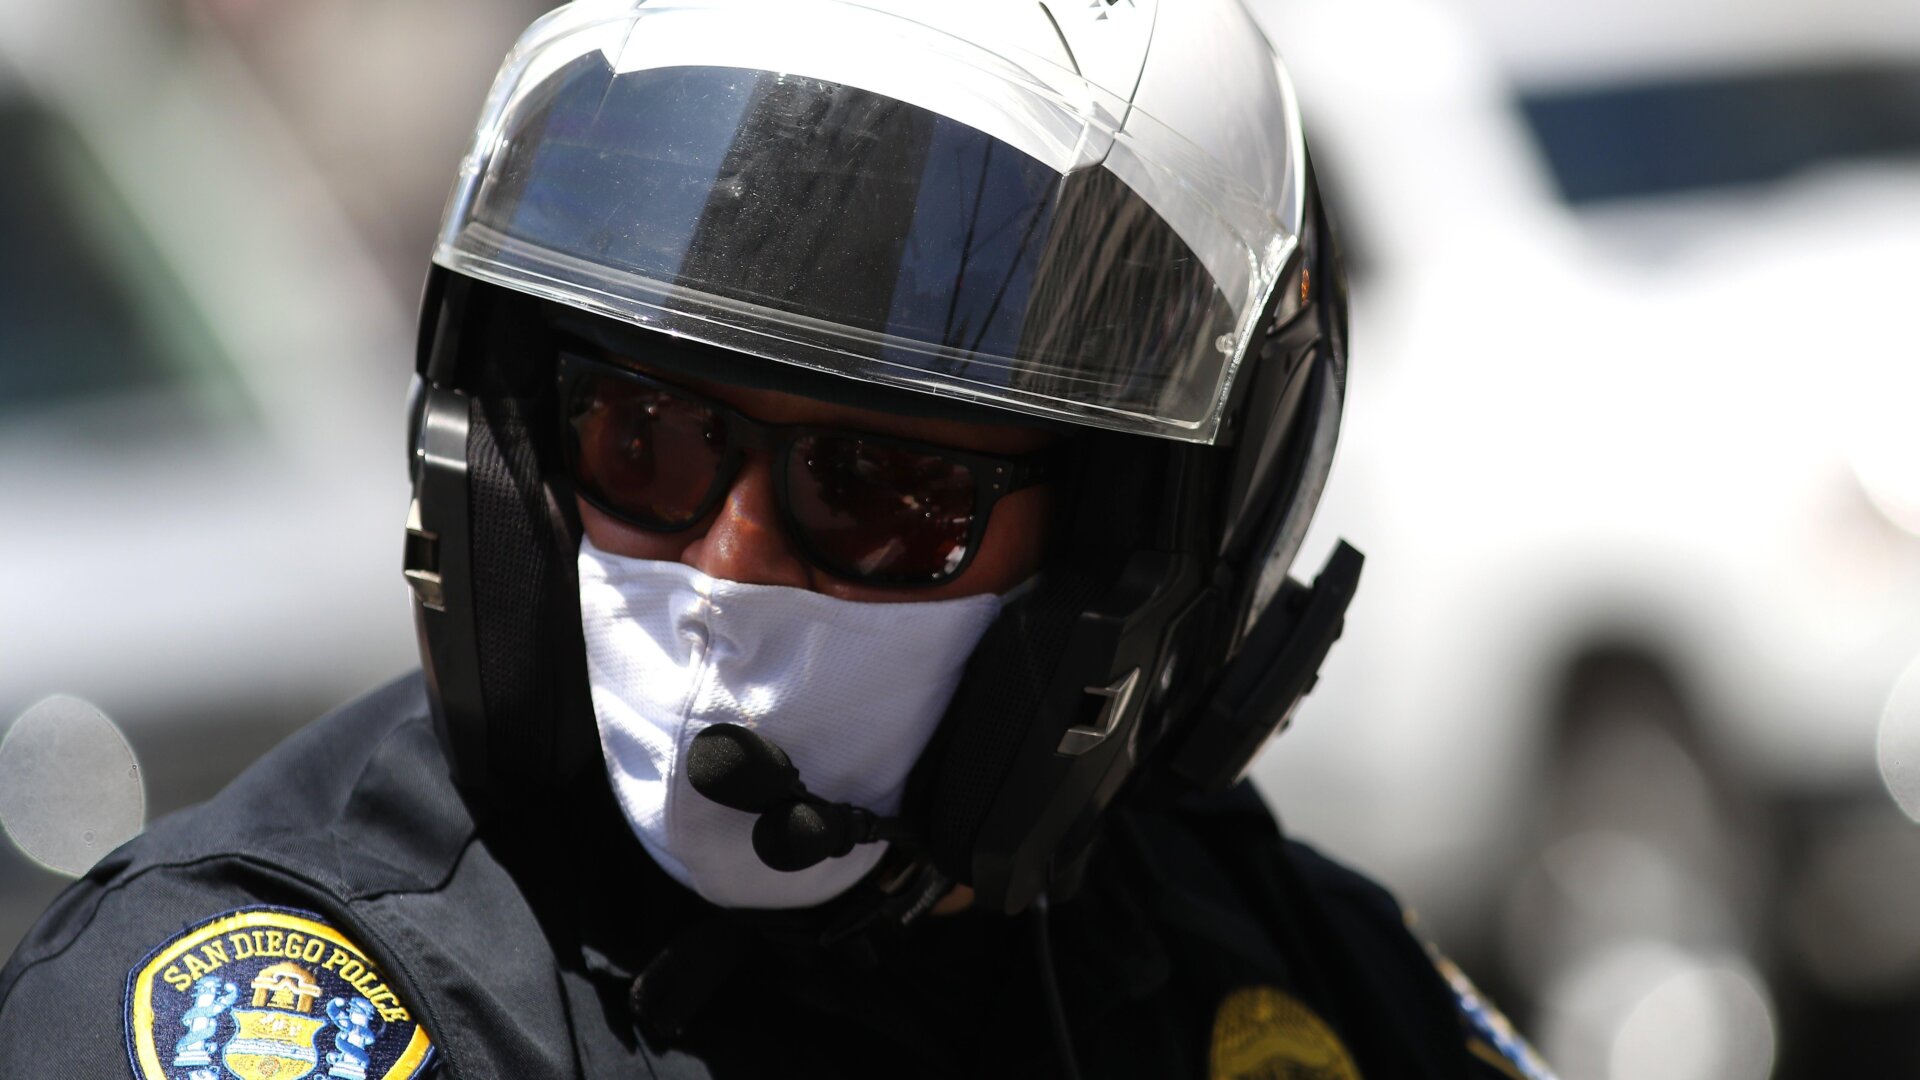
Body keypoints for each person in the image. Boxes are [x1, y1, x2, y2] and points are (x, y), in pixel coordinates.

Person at [0, 1, 1556, 1077]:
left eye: (882, 495)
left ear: (1124, 572)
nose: (729, 563)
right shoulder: (271, 1006)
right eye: (646, 444)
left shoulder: (1272, 972)